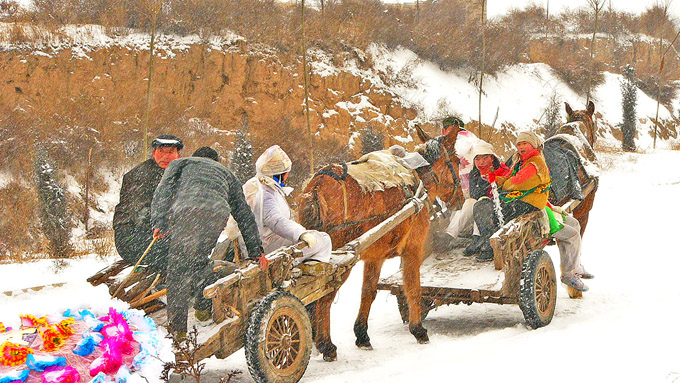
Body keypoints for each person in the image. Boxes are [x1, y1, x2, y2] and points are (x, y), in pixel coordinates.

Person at [150, 146, 265, 335]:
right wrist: (256, 251)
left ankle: (177, 333)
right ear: (216, 162)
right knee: (199, 260)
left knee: (177, 271)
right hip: (216, 214)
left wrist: (159, 223)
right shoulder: (227, 174)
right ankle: (203, 308)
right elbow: (244, 214)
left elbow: (162, 192)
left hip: (186, 211)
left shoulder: (180, 164)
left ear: (195, 158)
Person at [227, 145, 331, 266]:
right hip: (266, 247)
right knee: (323, 239)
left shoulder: (256, 185)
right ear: (278, 174)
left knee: (318, 238)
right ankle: (295, 265)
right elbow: (275, 220)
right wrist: (301, 233)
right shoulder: (265, 193)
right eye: (286, 173)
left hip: (253, 245)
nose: (287, 177)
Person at [472, 131, 551, 262]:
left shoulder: (535, 163)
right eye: (519, 144)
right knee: (483, 206)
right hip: (520, 200)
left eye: (525, 143)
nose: (521, 147)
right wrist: (496, 179)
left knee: (484, 208)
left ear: (533, 145)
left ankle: (490, 246)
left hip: (528, 202)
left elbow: (518, 182)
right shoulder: (522, 162)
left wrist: (504, 183)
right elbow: (510, 178)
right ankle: (488, 242)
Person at [112, 134, 183, 272]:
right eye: (161, 151)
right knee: (181, 255)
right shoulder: (140, 175)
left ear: (178, 155)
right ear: (154, 153)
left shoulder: (178, 174)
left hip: (159, 234)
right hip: (133, 236)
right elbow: (140, 213)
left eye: (170, 152)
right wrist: (165, 226)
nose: (165, 156)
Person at [447, 141, 510, 254]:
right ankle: (450, 234)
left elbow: (503, 192)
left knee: (482, 203)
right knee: (470, 202)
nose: (481, 162)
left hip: (498, 208)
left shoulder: (502, 171)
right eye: (477, 159)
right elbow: (474, 194)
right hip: (480, 204)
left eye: (485, 158)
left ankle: (478, 237)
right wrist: (482, 180)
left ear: (492, 158)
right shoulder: (475, 173)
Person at [548, 202, 594, 292]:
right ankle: (569, 274)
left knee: (574, 223)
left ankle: (575, 265)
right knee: (573, 235)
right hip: (541, 215)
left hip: (544, 209)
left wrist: (552, 207)